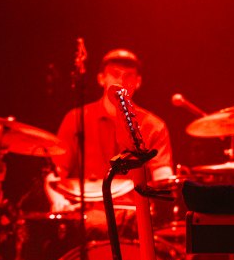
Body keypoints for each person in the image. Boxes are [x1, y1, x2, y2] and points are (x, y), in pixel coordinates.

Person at [46, 48, 174, 223]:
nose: (121, 81)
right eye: (115, 74)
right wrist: (59, 201)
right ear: (101, 79)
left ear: (138, 82)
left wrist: (159, 200)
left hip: (133, 221)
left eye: (129, 76)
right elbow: (55, 176)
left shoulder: (154, 126)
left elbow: (163, 179)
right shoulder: (76, 119)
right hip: (86, 219)